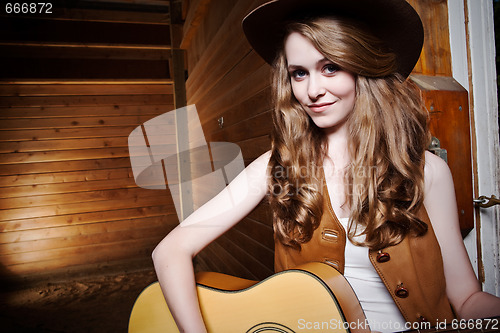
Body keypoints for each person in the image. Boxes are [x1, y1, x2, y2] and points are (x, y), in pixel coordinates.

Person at [152, 0, 500, 332]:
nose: (312, 90)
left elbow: (466, 298)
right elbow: (170, 250)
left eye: (330, 67)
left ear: (362, 66)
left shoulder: (427, 172)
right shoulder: (276, 168)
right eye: (299, 73)